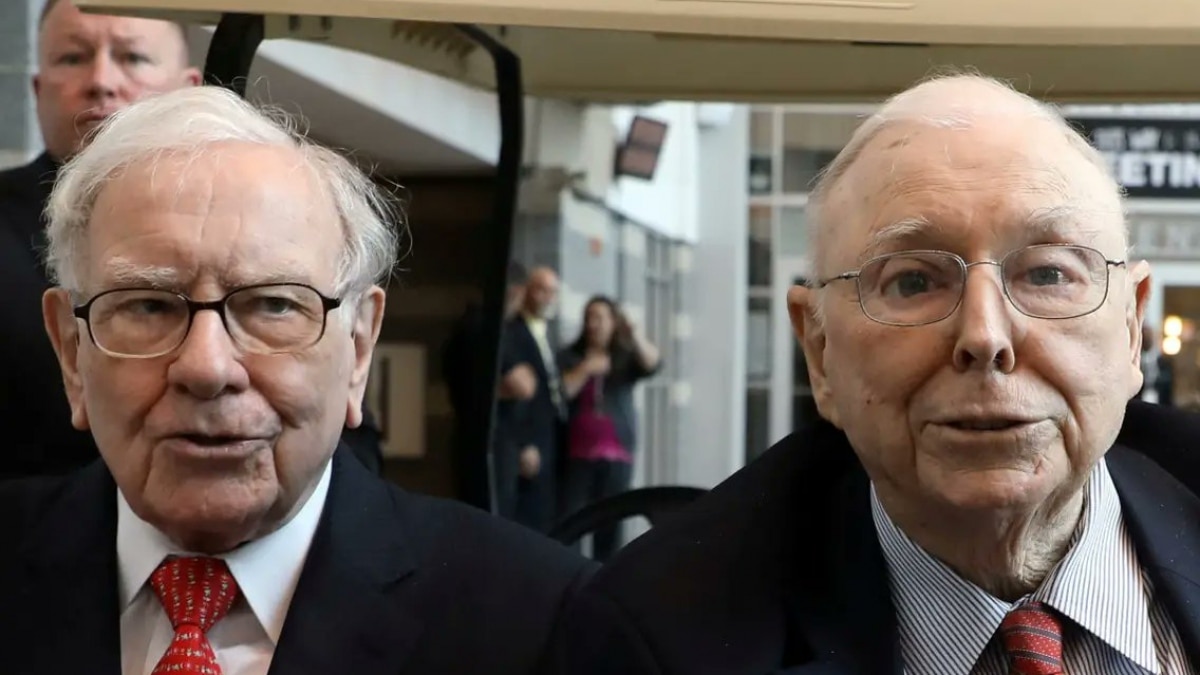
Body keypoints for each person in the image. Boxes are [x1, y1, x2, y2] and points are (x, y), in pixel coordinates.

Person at [561, 74, 1200, 673]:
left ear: (1129, 325)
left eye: (1048, 274)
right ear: (819, 351)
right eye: (914, 281)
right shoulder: (659, 641)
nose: (985, 336)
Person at [0, 86, 593, 675]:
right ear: (72, 352)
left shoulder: (541, 626)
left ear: (358, 347)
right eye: (149, 307)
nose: (208, 368)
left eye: (274, 306)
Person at [0, 0, 385, 479]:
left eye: (132, 57)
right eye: (72, 58)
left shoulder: (282, 221)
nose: (101, 80)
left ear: (190, 91)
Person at [559, 296, 660, 560]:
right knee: (572, 522)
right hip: (578, 456)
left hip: (617, 456)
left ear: (613, 322)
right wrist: (586, 368)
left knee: (611, 526)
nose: (594, 324)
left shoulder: (624, 356)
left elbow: (653, 363)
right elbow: (562, 392)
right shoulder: (570, 356)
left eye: (600, 318)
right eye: (589, 318)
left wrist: (634, 334)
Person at [442, 260, 538, 511]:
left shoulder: (471, 324)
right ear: (516, 291)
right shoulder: (485, 327)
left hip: (478, 437)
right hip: (490, 441)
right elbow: (524, 386)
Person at [505, 266, 569, 531]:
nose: (548, 297)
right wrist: (525, 442)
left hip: (550, 434)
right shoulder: (515, 332)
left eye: (553, 291)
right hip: (527, 437)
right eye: (542, 290)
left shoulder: (547, 332)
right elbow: (518, 396)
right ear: (527, 292)